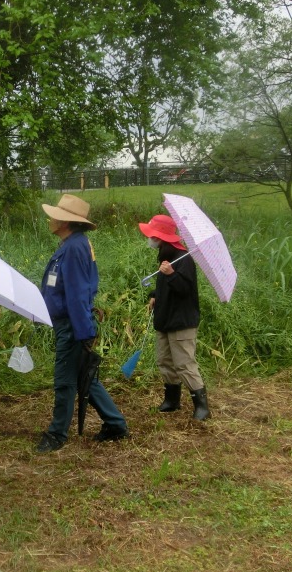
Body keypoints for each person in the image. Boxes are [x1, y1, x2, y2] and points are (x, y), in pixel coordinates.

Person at [36, 194, 129, 453]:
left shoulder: (74, 248)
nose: (50, 219)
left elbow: (77, 294)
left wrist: (83, 332)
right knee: (83, 375)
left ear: (66, 221)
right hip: (71, 324)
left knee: (65, 380)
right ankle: (115, 424)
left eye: (54, 216)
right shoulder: (71, 245)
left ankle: (57, 435)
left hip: (72, 326)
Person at [139, 214, 211, 421]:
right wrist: (155, 295)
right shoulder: (167, 256)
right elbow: (166, 287)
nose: (150, 239)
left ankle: (202, 407)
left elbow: (186, 290)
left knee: (184, 364)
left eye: (152, 236)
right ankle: (172, 400)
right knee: (165, 361)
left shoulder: (184, 258)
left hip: (181, 322)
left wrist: (171, 274)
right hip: (165, 319)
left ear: (161, 237)